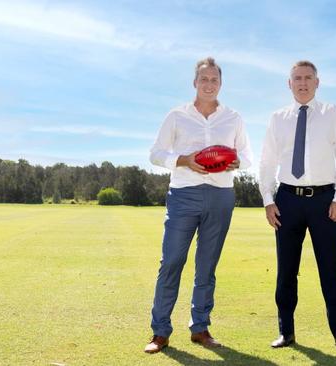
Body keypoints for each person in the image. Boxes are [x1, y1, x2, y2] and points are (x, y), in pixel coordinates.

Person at [144, 57, 252, 353]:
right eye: (203, 79)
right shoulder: (177, 116)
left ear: (221, 84)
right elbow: (155, 154)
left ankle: (200, 328)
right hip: (184, 193)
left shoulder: (234, 118)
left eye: (214, 80)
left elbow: (247, 157)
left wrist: (232, 162)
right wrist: (184, 160)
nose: (209, 84)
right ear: (195, 83)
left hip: (220, 196)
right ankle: (160, 332)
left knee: (207, 266)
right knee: (172, 261)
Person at [259, 60, 336, 352]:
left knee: (331, 269)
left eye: (308, 78)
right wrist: (268, 200)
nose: (302, 83)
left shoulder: (332, 113)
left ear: (317, 82)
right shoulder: (278, 118)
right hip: (287, 199)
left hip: (325, 201)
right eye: (297, 78)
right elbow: (267, 162)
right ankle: (285, 332)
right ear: (289, 83)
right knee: (286, 270)